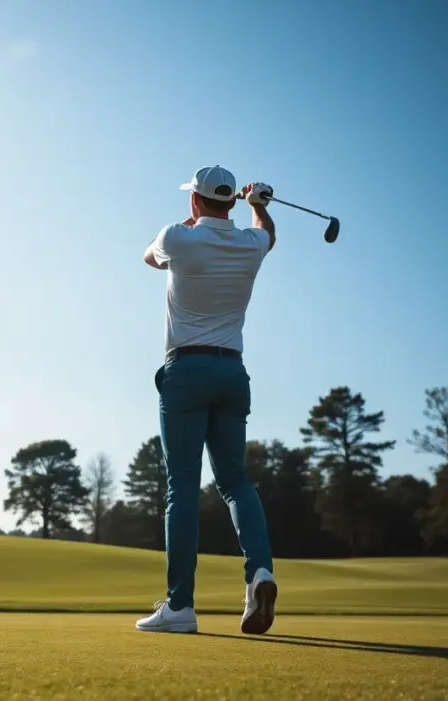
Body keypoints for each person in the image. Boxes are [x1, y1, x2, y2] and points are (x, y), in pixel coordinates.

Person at [134, 164, 278, 635]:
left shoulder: (177, 237)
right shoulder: (252, 245)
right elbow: (267, 234)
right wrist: (258, 205)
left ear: (194, 201)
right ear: (232, 201)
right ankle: (260, 572)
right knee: (236, 481)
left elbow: (149, 259)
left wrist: (197, 222)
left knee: (182, 487)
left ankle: (180, 607)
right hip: (233, 371)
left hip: (187, 370)